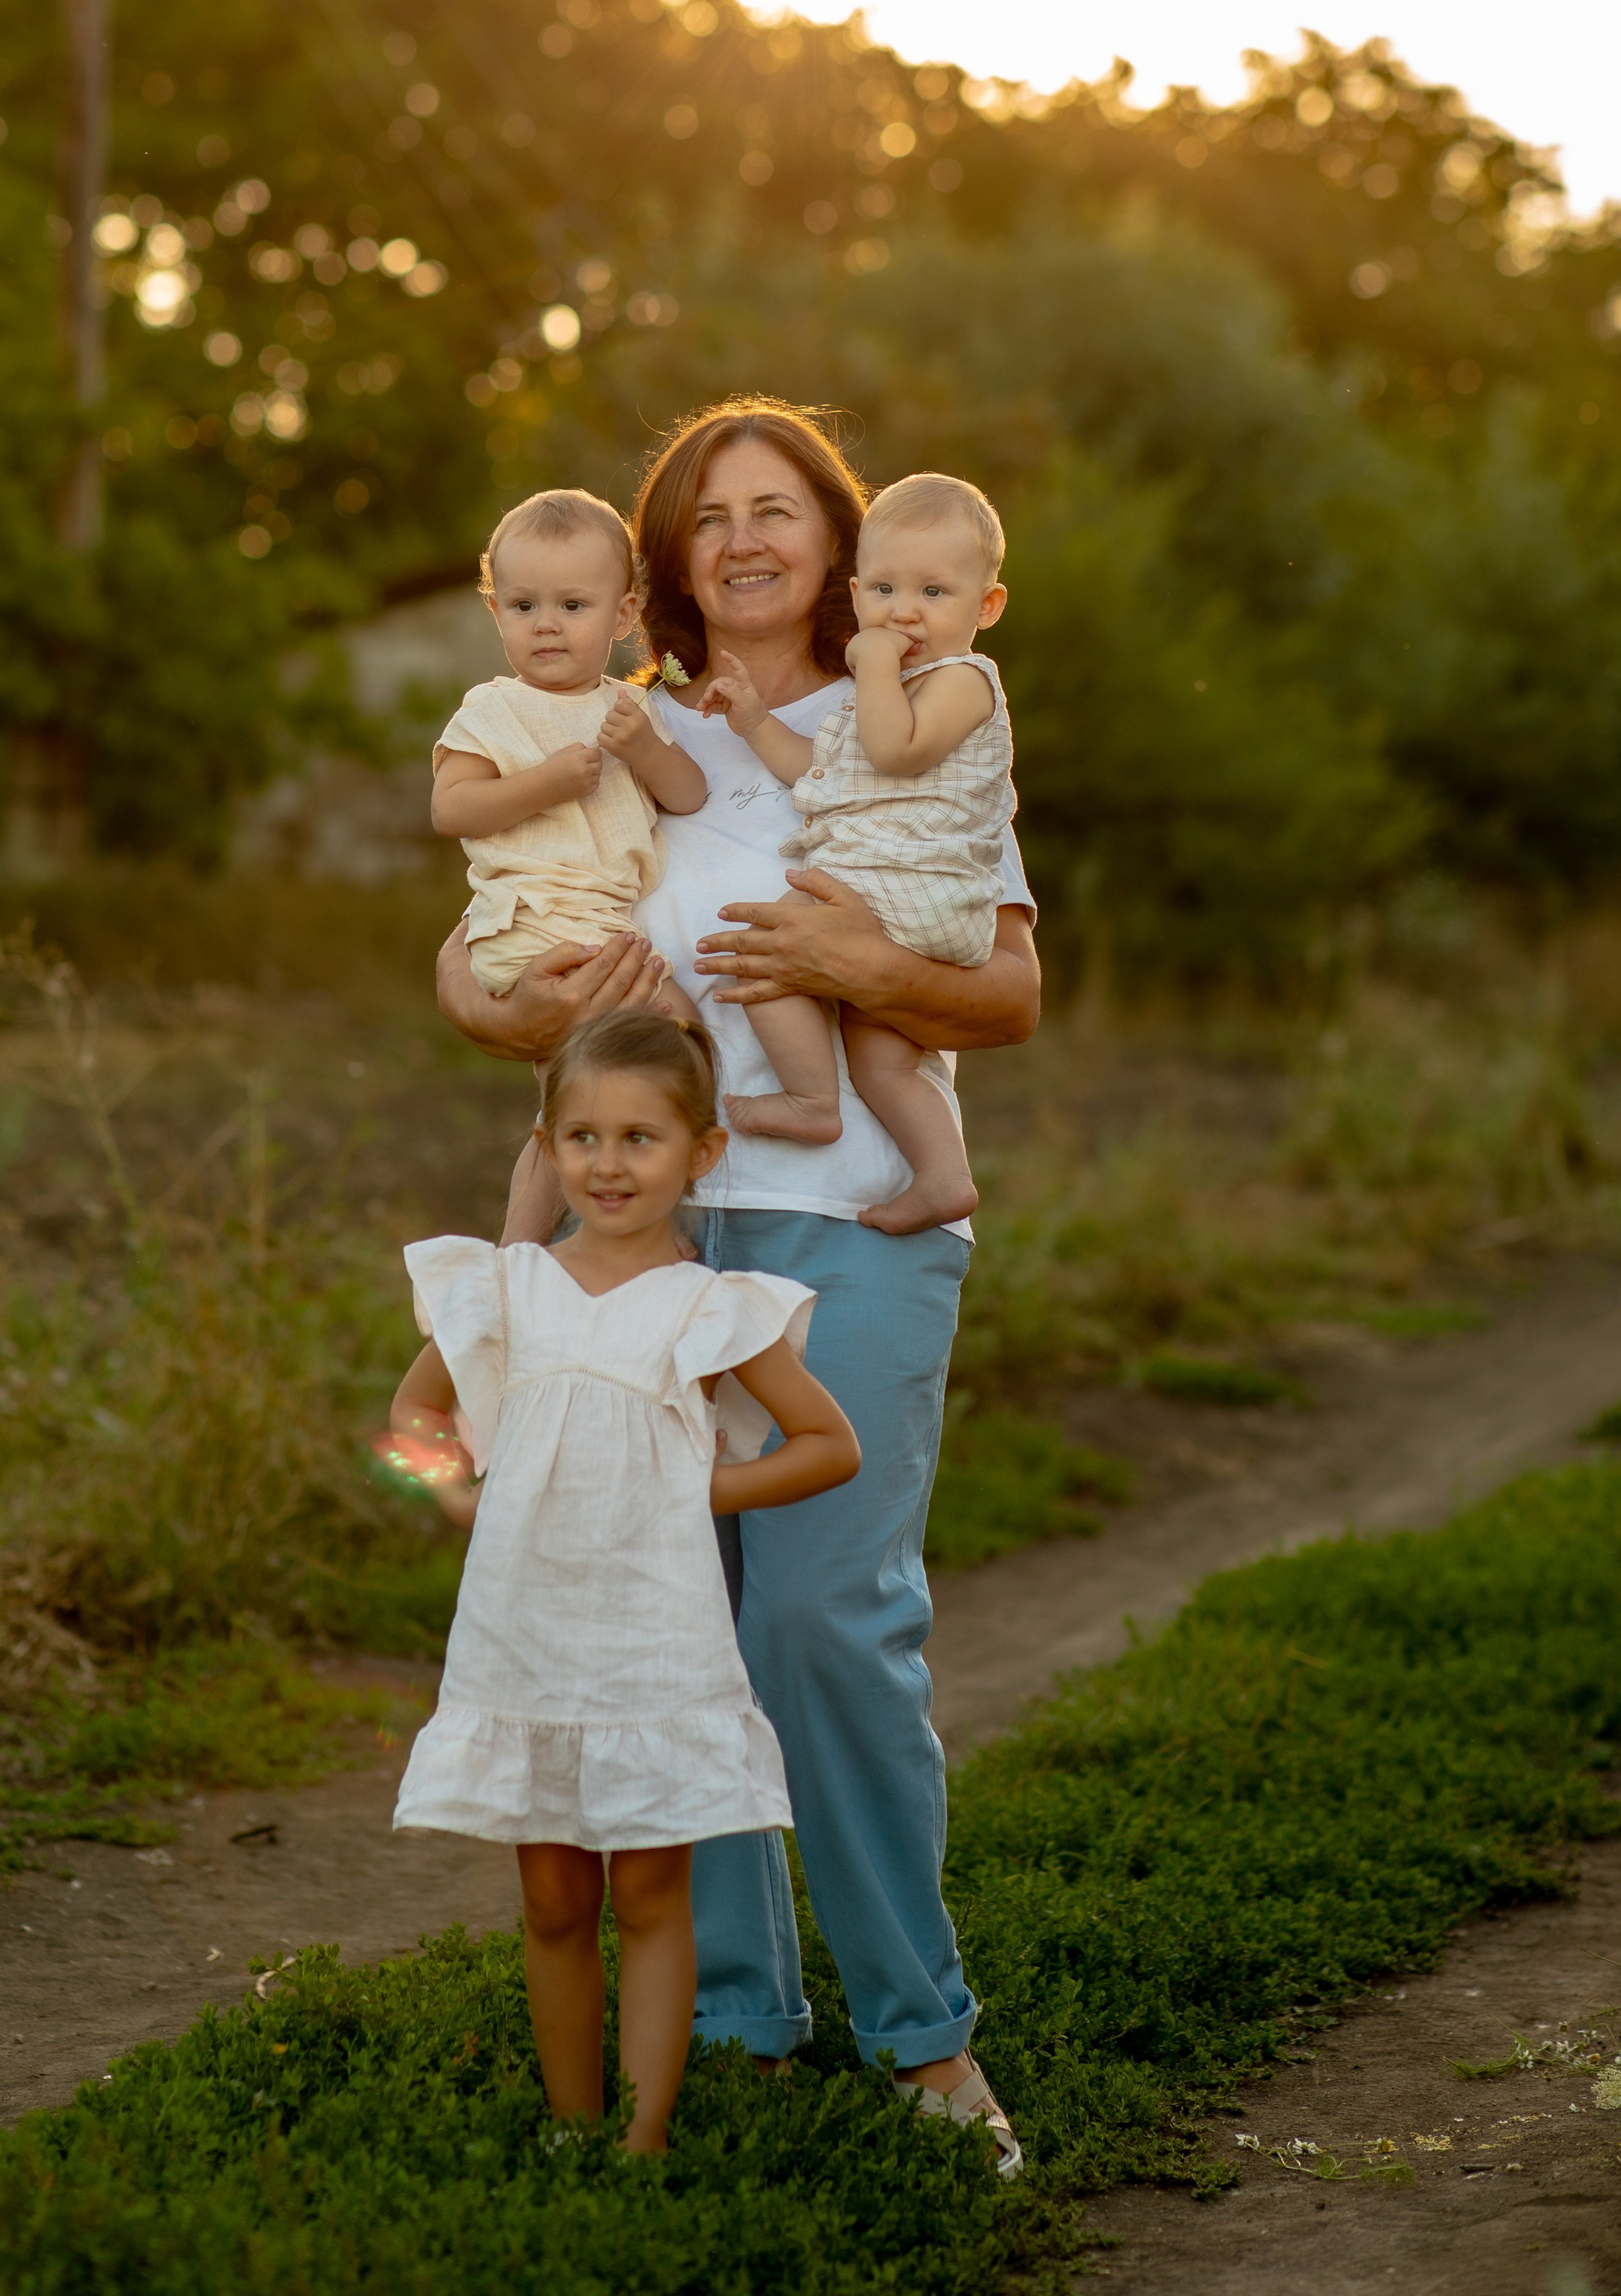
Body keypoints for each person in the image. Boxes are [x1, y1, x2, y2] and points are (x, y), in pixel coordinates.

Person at [436, 397, 1039, 2176]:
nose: (747, 537)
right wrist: (525, 1006)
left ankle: (922, 2034)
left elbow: (1005, 991)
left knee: (820, 1622)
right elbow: (473, 961)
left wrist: (850, 955)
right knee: (664, 1624)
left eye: (779, 507)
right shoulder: (617, 723)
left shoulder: (914, 708)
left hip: (856, 1223)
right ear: (665, 559)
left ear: (837, 538)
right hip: (651, 1238)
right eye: (711, 515)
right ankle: (730, 2019)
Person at [386, 1008, 860, 2155]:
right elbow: (412, 1415)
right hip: (526, 1632)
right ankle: (573, 2127)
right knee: (554, 1900)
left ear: (702, 1151)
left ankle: (641, 2143)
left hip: (654, 1638)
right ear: (547, 1146)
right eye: (582, 1136)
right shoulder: (505, 1289)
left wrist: (697, 1488)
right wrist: (456, 1495)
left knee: (650, 1896)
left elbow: (828, 1445)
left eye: (640, 1138)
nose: (607, 1164)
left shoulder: (710, 1308)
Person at [433, 482, 861, 1134]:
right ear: (497, 611)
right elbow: (451, 808)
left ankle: (691, 1137)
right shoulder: (494, 708)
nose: (546, 623)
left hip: (607, 927)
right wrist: (546, 783)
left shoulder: (631, 707)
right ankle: (591, 1152)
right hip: (537, 920)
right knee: (596, 1065)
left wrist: (645, 751)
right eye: (523, 605)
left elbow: (687, 795)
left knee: (668, 1035)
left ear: (623, 613)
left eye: (572, 605)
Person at [703, 470, 1013, 1233]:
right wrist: (754, 722)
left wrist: (872, 667)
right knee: (883, 1055)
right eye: (883, 590)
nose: (903, 611)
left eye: (933, 592)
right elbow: (822, 774)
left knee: (765, 952)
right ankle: (944, 1176)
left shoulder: (964, 680)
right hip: (907, 903)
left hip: (910, 886)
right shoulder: (875, 697)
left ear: (986, 606)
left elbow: (894, 752)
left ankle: (811, 1101)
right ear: (854, 592)